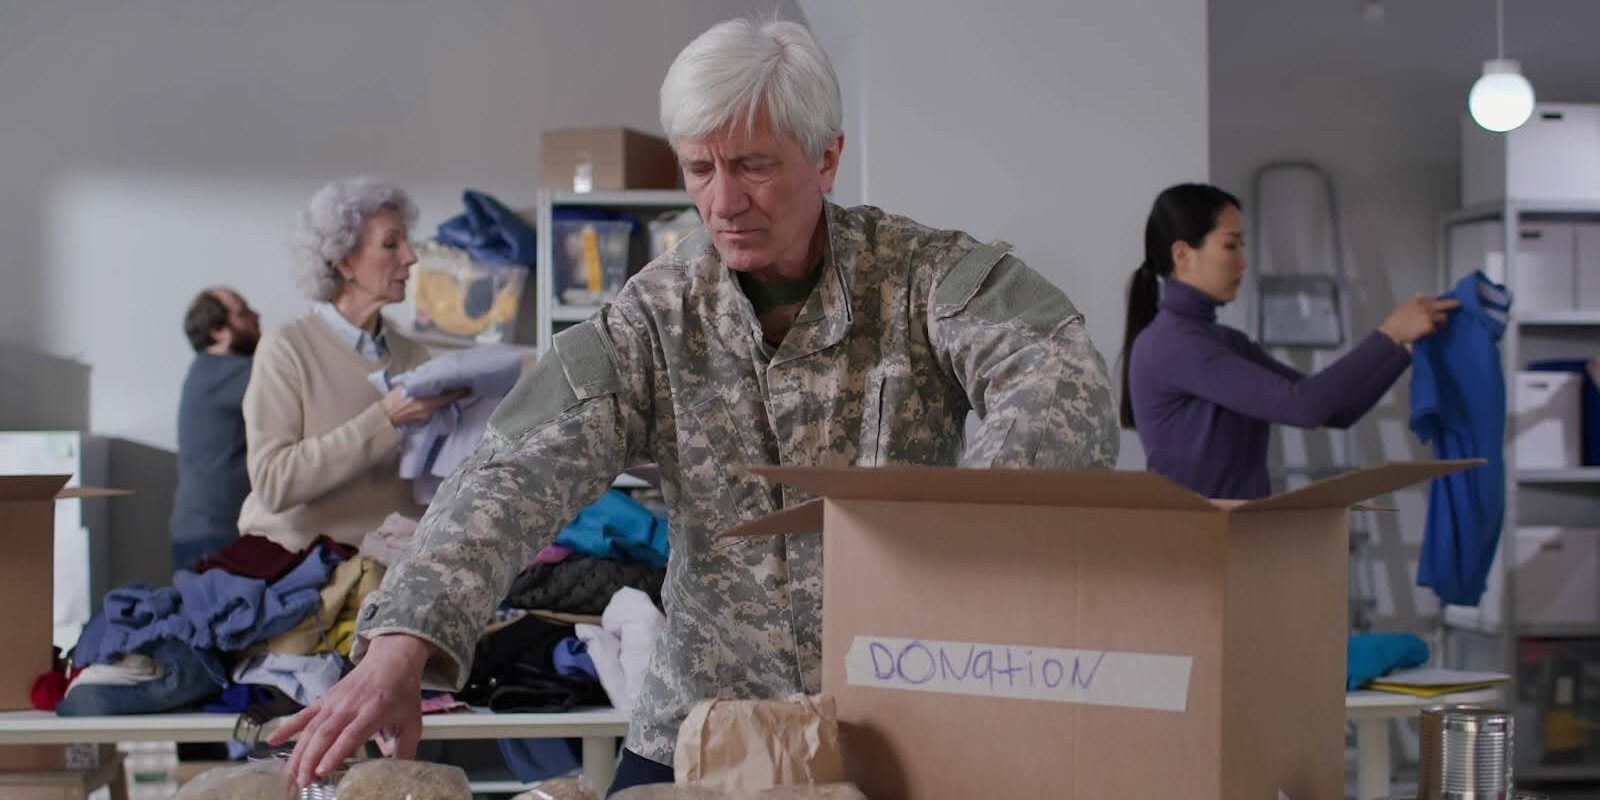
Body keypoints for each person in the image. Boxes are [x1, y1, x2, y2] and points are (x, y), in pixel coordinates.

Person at [272, 19, 1120, 793]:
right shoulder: (654, 314)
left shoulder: (925, 277)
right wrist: (399, 643)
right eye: (700, 167)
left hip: (900, 715)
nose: (722, 201)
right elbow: (515, 466)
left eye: (754, 165)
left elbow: (1057, 379)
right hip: (706, 720)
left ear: (825, 158)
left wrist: (973, 553)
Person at [1120, 183, 1458, 500]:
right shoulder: (1173, 344)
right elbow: (1304, 406)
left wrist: (1405, 348)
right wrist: (1391, 334)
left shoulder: (1222, 341)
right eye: (1230, 245)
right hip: (1195, 546)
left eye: (1242, 246)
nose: (1243, 261)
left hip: (1233, 538)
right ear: (1182, 254)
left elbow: (1338, 410)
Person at [234, 176, 464, 553]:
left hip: (384, 569)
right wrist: (385, 419)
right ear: (343, 262)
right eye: (391, 244)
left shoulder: (413, 355)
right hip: (299, 569)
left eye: (406, 242)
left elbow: (423, 485)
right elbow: (273, 483)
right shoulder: (286, 349)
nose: (411, 256)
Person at [170, 287, 262, 569]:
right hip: (215, 535)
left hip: (203, 531)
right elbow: (294, 383)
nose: (256, 316)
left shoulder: (206, 371)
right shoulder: (228, 372)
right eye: (243, 312)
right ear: (218, 330)